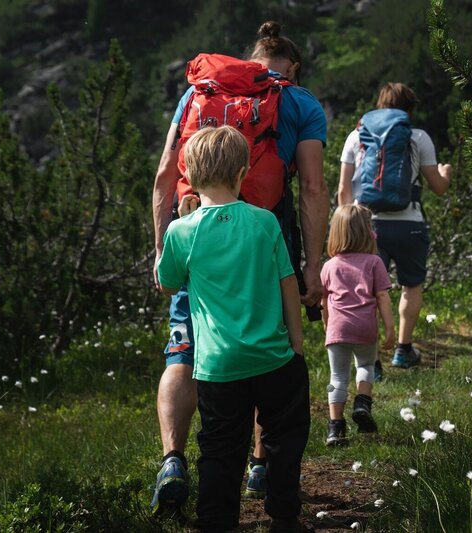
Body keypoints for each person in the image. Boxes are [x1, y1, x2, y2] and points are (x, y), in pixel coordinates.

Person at [150, 21, 327, 510]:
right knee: (262, 344)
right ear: (293, 67)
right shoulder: (298, 102)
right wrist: (314, 265)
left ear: (250, 61)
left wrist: (162, 247)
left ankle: (173, 461)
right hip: (265, 236)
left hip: (193, 233)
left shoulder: (199, 94)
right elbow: (313, 188)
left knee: (184, 351)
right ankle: (262, 466)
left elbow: (165, 175)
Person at [157, 126, 310, 532]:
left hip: (217, 366)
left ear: (190, 173)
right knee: (283, 439)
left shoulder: (182, 231)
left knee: (220, 447)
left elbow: (167, 284)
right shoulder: (264, 221)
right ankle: (284, 517)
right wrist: (296, 344)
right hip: (274, 357)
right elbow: (288, 282)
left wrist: (182, 221)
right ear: (243, 172)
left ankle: (217, 521)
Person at [338, 82, 453, 370]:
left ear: (379, 105)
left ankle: (372, 360)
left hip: (367, 226)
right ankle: (403, 350)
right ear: (409, 110)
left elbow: (343, 191)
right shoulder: (418, 137)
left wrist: (348, 227)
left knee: (368, 292)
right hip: (409, 224)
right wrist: (446, 172)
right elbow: (439, 188)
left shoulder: (357, 136)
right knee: (411, 285)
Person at [320, 205, 395, 445]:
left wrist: (327, 325)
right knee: (365, 365)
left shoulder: (329, 266)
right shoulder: (374, 262)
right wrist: (390, 328)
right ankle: (362, 403)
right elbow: (382, 296)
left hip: (337, 328)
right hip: (365, 327)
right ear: (367, 232)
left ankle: (335, 428)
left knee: (337, 376)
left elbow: (324, 301)